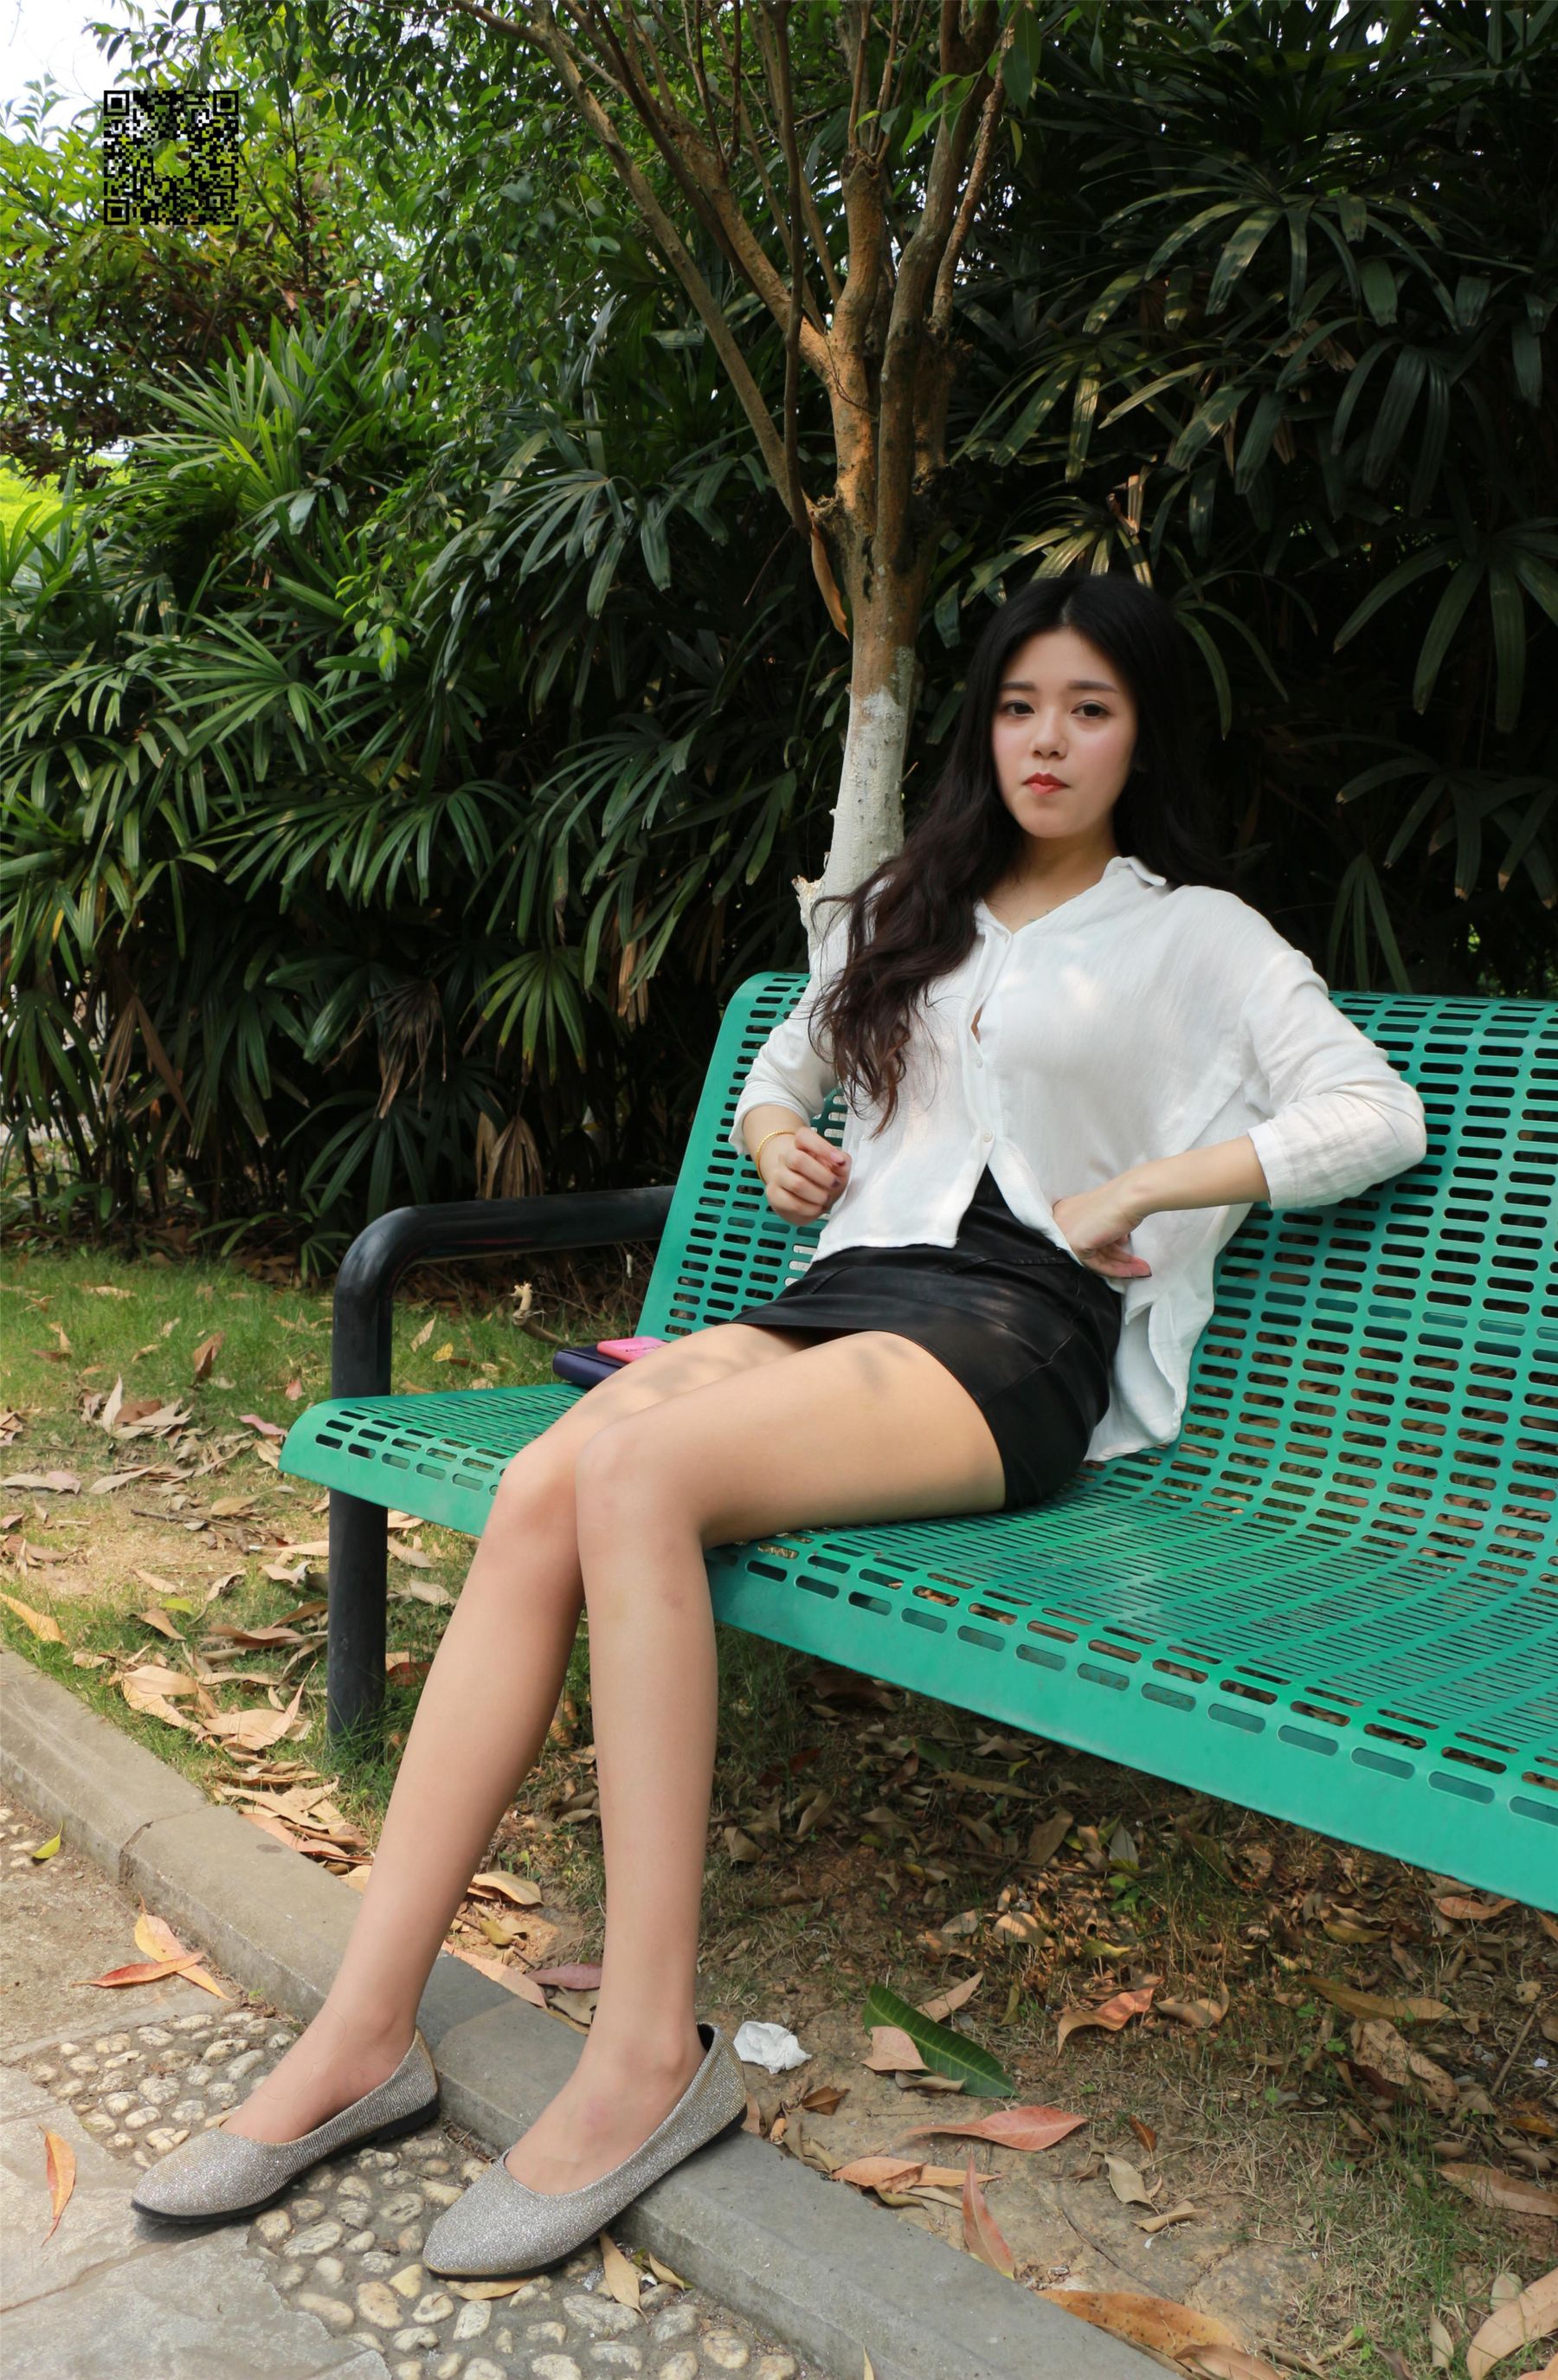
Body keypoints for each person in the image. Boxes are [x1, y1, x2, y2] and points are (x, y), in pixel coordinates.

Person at [129, 571, 1429, 2274]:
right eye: (1020, 705)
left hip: (1014, 1329)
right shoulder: (912, 908)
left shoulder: (1199, 936)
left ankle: (644, 2057)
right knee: (548, 1479)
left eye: (1090, 708)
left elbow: (1373, 1111)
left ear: (1142, 734)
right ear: (982, 725)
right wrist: (768, 1137)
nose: (1047, 739)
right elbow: (783, 1076)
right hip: (847, 1294)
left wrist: (1152, 1185)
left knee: (639, 1469)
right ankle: (365, 2026)